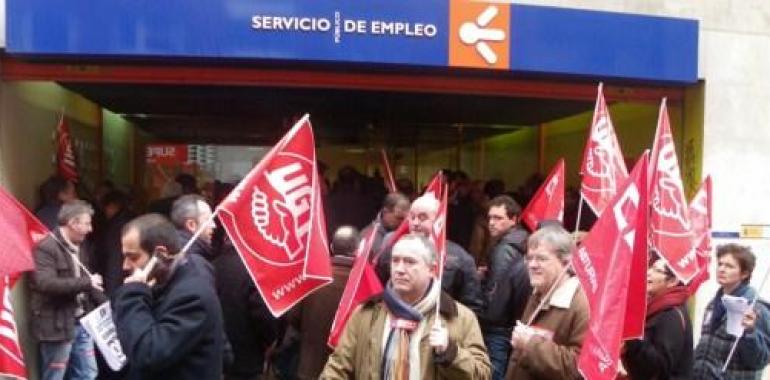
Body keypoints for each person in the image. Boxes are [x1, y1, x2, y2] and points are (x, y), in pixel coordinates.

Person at [321, 234, 491, 379]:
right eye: (395, 261)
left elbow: (482, 374)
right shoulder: (367, 312)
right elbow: (338, 367)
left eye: (410, 262)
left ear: (432, 269)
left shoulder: (459, 318)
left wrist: (451, 353)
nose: (400, 269)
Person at [112, 214, 224, 380]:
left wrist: (132, 295)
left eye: (133, 257)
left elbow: (148, 353)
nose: (125, 265)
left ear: (161, 254)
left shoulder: (192, 296)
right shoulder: (166, 281)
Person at [30, 200, 105, 380]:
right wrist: (86, 282)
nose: (90, 229)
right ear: (73, 223)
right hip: (56, 325)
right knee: (55, 375)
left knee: (88, 373)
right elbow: (45, 283)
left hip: (82, 321)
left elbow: (89, 283)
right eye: (87, 223)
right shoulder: (46, 248)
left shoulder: (81, 245)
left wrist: (108, 305)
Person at [376, 193, 483, 313]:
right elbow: (378, 290)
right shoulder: (393, 250)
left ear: (439, 220)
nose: (415, 223)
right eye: (412, 217)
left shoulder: (461, 259)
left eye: (422, 218)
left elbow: (472, 306)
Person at [505, 226, 589, 380]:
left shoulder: (582, 306)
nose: (532, 265)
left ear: (566, 262)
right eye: (529, 258)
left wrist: (530, 344)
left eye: (541, 258)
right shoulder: (538, 292)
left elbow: (580, 368)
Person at [291, 226, 360, 379]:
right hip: (344, 372)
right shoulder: (362, 284)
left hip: (309, 368)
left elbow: (294, 318)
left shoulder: (313, 279)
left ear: (331, 247)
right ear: (357, 250)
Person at [693, 243, 770, 378]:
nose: (721, 269)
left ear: (744, 273)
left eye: (729, 266)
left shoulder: (756, 309)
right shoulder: (713, 304)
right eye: (720, 264)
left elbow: (760, 360)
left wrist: (750, 332)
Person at [478, 195, 530, 380]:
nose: (491, 223)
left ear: (514, 219)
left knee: (494, 372)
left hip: (499, 325)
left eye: (498, 218)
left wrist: (486, 319)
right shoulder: (522, 240)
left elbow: (496, 290)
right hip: (513, 320)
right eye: (490, 217)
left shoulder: (505, 249)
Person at [215, 238, 278, 380]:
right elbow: (263, 314)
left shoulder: (212, 265)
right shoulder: (255, 270)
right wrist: (271, 339)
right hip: (246, 357)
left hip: (215, 354)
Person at [621, 258, 693, 379]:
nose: (648, 272)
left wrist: (634, 334)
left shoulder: (671, 314)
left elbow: (658, 366)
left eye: (656, 270)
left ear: (672, 281)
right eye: (650, 267)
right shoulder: (657, 306)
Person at [361, 192, 410, 258]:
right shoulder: (370, 236)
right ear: (385, 212)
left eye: (405, 219)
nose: (403, 223)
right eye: (399, 218)